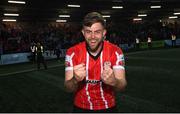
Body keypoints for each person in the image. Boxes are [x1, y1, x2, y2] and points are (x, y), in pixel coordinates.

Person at [64, 12, 127, 112]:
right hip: (81, 107)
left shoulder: (115, 52)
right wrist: (75, 79)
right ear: (83, 33)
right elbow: (68, 88)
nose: (92, 36)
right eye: (88, 32)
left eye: (97, 32)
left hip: (108, 108)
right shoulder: (72, 52)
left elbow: (122, 86)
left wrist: (114, 81)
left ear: (104, 33)